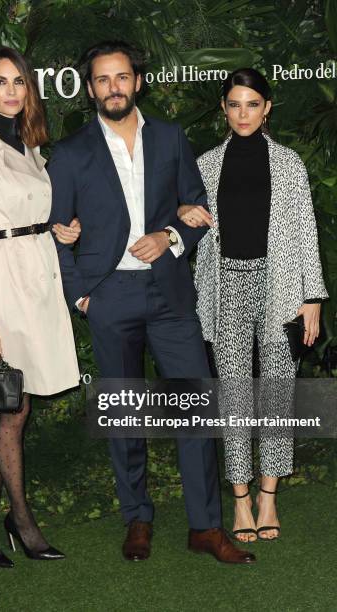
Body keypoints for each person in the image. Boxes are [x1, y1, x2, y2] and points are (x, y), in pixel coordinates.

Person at [49, 41, 255, 564]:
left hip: (169, 295)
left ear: (137, 81)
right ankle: (137, 519)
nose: (113, 87)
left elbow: (198, 207)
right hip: (109, 297)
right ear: (89, 88)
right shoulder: (71, 152)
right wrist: (82, 295)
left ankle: (205, 526)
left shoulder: (170, 137)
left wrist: (169, 237)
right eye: (102, 80)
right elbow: (56, 232)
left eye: (121, 77)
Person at [179, 68, 328, 542]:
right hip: (226, 285)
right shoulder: (204, 165)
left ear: (267, 109)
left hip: (279, 284)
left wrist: (313, 297)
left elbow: (306, 233)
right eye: (234, 104)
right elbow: (186, 224)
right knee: (237, 394)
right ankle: (241, 500)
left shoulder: (289, 164)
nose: (243, 113)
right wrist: (182, 213)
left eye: (252, 104)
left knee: (278, 394)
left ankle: (269, 494)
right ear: (224, 109)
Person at [0, 46, 80, 568]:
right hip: (1, 289)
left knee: (10, 409)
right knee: (10, 409)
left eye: (18, 83)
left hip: (36, 277)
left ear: (28, 90)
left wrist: (58, 229)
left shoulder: (28, 147)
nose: (10, 91)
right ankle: (19, 519)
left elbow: (27, 211)